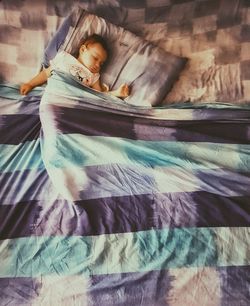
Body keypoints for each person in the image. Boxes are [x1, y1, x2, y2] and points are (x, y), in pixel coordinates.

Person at [20, 34, 130, 98]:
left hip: (75, 100)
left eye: (101, 63)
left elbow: (98, 96)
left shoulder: (93, 75)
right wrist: (30, 84)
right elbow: (45, 73)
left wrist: (116, 93)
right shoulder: (65, 58)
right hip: (56, 93)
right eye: (95, 58)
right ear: (82, 50)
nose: (97, 65)